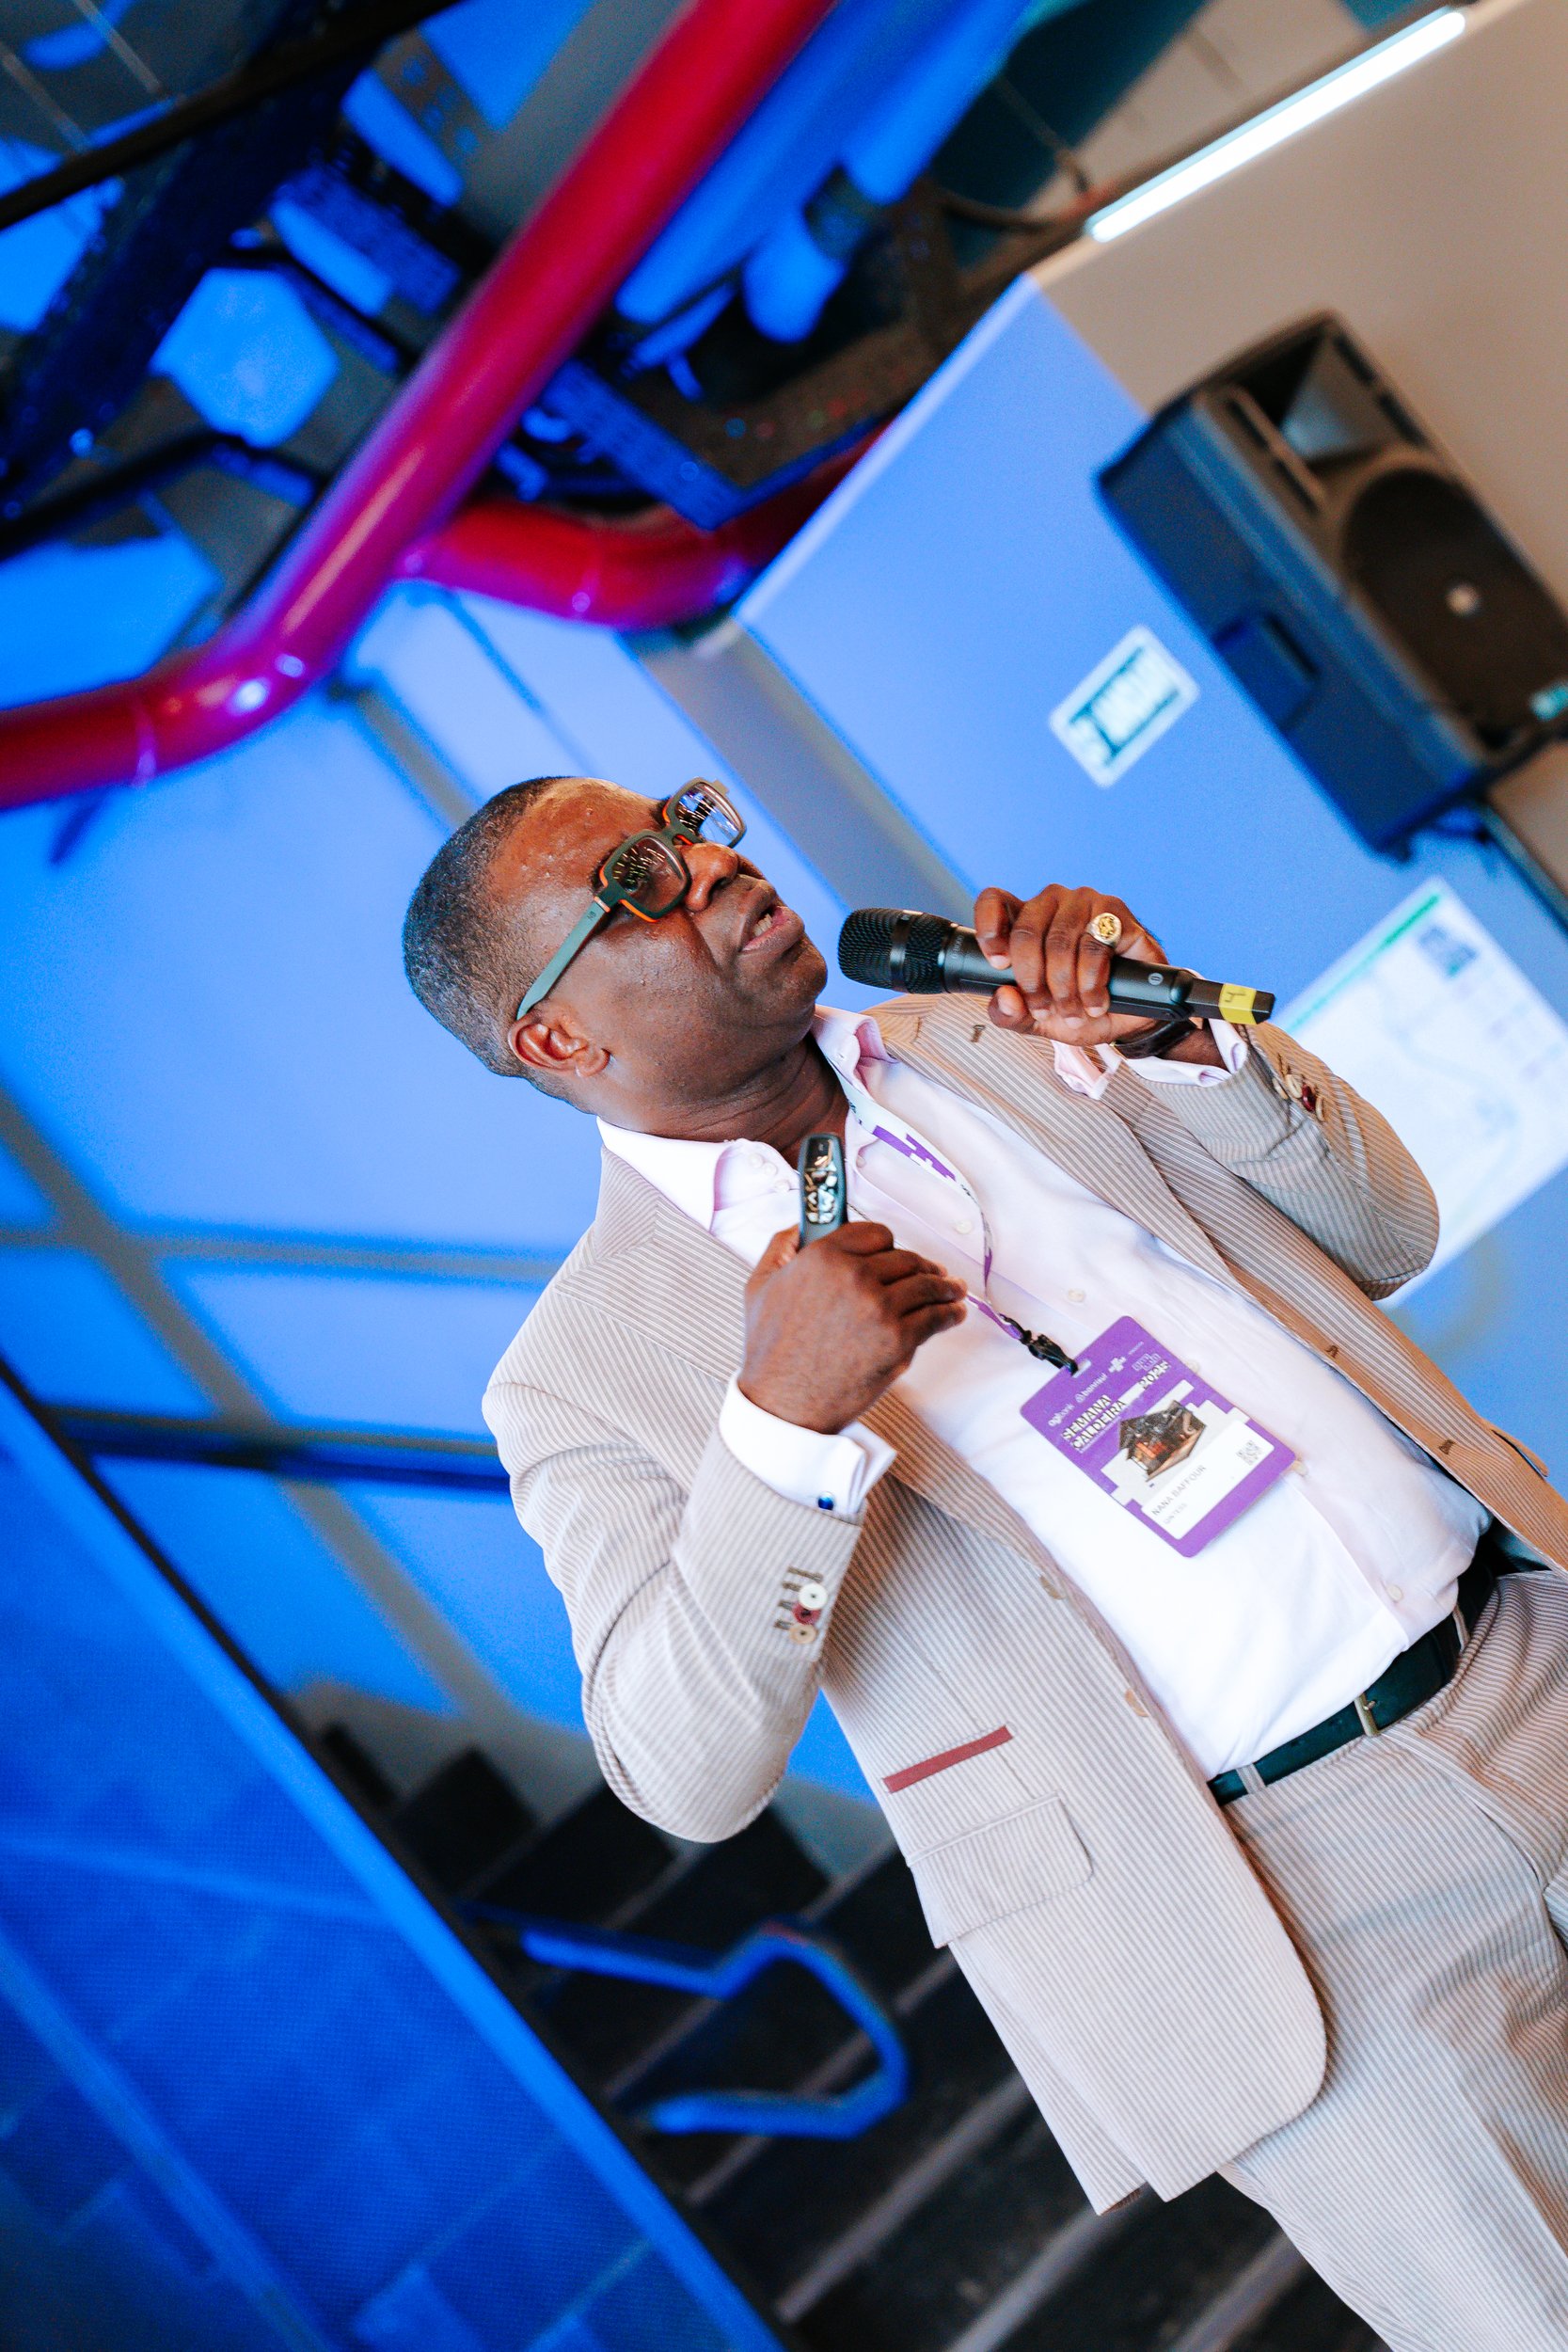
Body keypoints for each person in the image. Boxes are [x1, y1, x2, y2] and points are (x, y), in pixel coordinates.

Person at [403, 772, 1568, 2352]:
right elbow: (679, 1770)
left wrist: (1177, 1040)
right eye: (641, 881)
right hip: (1299, 1916)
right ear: (555, 1039)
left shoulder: (1001, 1028)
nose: (716, 869)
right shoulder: (585, 1372)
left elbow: (1388, 1230)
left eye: (693, 825)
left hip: (1524, 1646)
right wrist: (779, 1425)